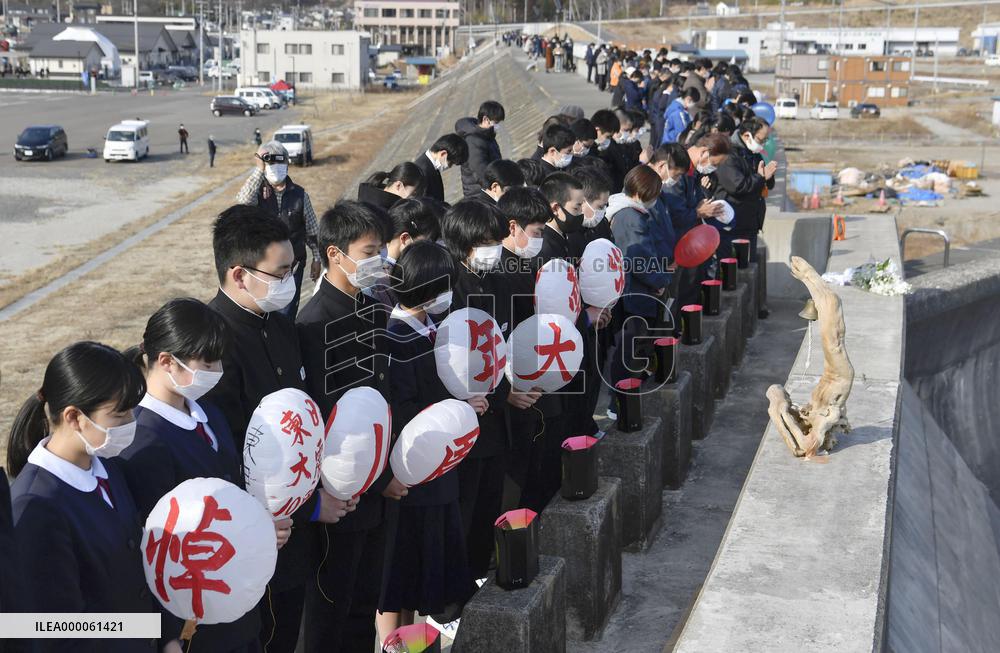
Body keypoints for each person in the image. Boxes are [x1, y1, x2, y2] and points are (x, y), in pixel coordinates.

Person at [204, 206, 351, 652]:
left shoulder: (282, 327)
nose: (291, 281)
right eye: (281, 271)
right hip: (255, 534)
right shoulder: (213, 346)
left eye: (294, 268)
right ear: (240, 274)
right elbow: (226, 453)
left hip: (299, 535)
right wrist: (307, 507)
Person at [120, 298, 289, 652]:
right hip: (193, 618)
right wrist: (168, 635)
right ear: (166, 361)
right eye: (207, 362)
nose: (217, 369)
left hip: (236, 602)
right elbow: (157, 545)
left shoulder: (207, 413)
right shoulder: (143, 439)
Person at [6, 342, 170, 653]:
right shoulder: (35, 506)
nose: (131, 423)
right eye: (119, 415)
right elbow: (56, 627)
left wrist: (165, 635)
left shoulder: (106, 465)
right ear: (74, 417)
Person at [297, 200, 395, 653]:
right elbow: (321, 415)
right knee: (330, 613)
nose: (379, 260)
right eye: (369, 250)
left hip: (377, 486)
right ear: (335, 254)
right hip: (339, 495)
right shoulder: (314, 324)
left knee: (364, 602)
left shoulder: (374, 311)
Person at [375, 241, 469, 644]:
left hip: (435, 466)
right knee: (397, 571)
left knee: (418, 569)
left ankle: (413, 639)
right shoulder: (395, 338)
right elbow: (401, 406)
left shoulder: (431, 328)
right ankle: (392, 643)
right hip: (410, 471)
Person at [439, 200, 513, 588]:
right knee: (463, 509)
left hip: (496, 412)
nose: (494, 250)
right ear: (463, 242)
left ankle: (480, 572)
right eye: (486, 241)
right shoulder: (449, 289)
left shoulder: (497, 281)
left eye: (497, 241)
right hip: (460, 420)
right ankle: (454, 590)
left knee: (489, 499)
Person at [607, 166, 672, 416]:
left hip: (636, 291)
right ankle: (619, 402)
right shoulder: (630, 217)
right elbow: (638, 257)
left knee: (633, 346)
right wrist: (659, 281)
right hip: (635, 294)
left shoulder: (629, 212)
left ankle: (626, 395)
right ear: (642, 191)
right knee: (628, 349)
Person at [235, 141, 323, 318]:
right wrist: (260, 169)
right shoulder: (257, 193)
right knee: (261, 314)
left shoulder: (300, 195)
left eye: (279, 163)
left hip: (291, 267)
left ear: (287, 164)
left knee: (286, 315)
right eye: (270, 163)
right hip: (261, 268)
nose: (275, 167)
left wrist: (317, 258)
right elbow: (242, 202)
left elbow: (312, 230)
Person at [712, 117, 776, 263]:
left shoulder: (753, 153)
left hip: (750, 222)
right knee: (732, 271)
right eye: (761, 140)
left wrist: (767, 176)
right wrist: (761, 177)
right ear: (747, 135)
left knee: (747, 266)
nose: (763, 144)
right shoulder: (729, 155)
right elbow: (738, 186)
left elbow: (765, 182)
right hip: (733, 222)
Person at [456, 101, 505, 198]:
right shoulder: (473, 141)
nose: (497, 126)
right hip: (480, 194)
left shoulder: (487, 135)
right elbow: (481, 172)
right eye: (496, 123)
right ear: (486, 119)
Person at [413, 133, 469, 202]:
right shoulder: (422, 171)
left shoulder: (431, 166)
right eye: (451, 163)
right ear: (443, 154)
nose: (450, 166)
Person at [358, 162, 425, 211]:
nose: (414, 199)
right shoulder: (380, 211)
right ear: (398, 186)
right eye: (413, 194)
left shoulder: (373, 196)